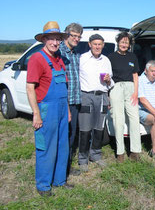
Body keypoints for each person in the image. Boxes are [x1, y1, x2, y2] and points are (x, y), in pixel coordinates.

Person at [26, 21, 73, 196]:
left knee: (62, 145)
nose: (55, 42)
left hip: (61, 108)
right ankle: (43, 185)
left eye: (57, 39)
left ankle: (59, 180)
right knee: (46, 146)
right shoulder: (37, 59)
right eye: (51, 39)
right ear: (44, 39)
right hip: (46, 109)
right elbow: (30, 87)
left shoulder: (59, 58)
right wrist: (36, 114)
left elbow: (64, 89)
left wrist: (67, 109)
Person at [78, 34, 114, 171]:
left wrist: (108, 80)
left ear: (103, 45)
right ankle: (82, 159)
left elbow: (110, 81)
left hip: (102, 96)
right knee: (85, 129)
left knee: (99, 128)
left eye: (100, 44)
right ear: (90, 44)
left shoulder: (106, 60)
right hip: (86, 96)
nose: (97, 47)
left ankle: (96, 155)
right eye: (95, 44)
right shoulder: (82, 59)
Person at [107, 32, 141, 163]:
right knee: (118, 119)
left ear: (129, 44)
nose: (124, 44)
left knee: (134, 118)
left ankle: (135, 151)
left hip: (130, 88)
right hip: (116, 88)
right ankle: (120, 152)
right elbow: (108, 77)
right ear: (118, 43)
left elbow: (135, 76)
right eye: (122, 42)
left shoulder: (132, 57)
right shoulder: (111, 57)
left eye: (126, 42)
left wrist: (136, 93)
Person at [58, 23, 83, 176]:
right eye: (73, 35)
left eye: (79, 37)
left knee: (71, 134)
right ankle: (61, 168)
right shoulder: (58, 51)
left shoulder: (75, 53)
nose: (76, 39)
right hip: (63, 101)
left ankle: (65, 166)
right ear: (66, 35)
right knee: (63, 136)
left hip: (75, 100)